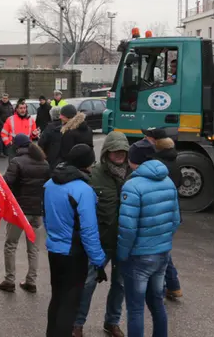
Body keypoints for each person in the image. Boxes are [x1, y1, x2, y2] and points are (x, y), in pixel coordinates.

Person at [43, 144, 107, 337]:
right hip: (74, 253)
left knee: (57, 298)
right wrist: (99, 261)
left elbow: (46, 217)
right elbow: (89, 231)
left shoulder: (49, 184)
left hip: (54, 250)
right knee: (70, 304)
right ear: (86, 164)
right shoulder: (83, 190)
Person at [118, 141, 180, 337]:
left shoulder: (132, 185)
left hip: (138, 256)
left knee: (135, 309)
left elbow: (128, 229)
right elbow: (176, 220)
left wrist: (122, 254)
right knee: (157, 303)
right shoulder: (168, 181)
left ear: (133, 161)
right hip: (162, 254)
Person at [73, 132, 130, 337]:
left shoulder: (132, 175)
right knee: (88, 284)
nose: (119, 154)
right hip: (100, 242)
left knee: (120, 285)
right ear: (106, 152)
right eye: (115, 150)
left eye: (123, 150)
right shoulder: (94, 175)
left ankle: (112, 322)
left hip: (124, 242)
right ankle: (77, 324)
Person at [0, 134, 49, 294]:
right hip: (37, 211)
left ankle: (9, 280)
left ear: (17, 146)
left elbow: (6, 183)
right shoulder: (44, 162)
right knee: (33, 248)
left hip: (20, 211)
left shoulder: (16, 162)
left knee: (11, 245)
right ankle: (31, 281)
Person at [145, 129, 183, 299]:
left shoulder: (158, 164)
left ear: (156, 142)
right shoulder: (173, 160)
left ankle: (161, 290)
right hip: (169, 212)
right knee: (163, 250)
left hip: (158, 212)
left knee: (160, 252)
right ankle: (173, 286)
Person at [38, 106, 63, 170]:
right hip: (64, 159)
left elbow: (41, 143)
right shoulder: (66, 127)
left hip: (51, 159)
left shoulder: (49, 128)